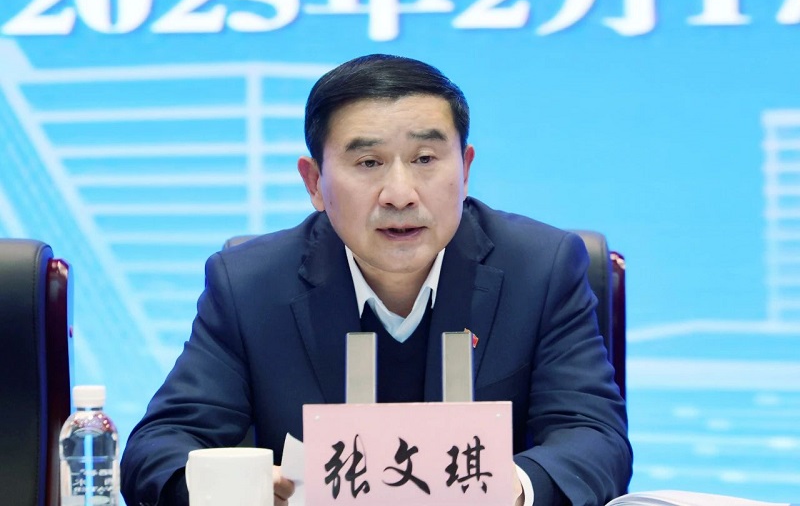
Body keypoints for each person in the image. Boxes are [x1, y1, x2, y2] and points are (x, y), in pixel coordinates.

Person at [120, 54, 632, 506]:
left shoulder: (540, 268)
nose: (400, 194)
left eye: (425, 159)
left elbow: (593, 436)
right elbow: (159, 447)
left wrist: (512, 489)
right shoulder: (249, 284)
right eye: (368, 162)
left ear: (465, 167)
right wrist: (234, 487)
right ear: (314, 182)